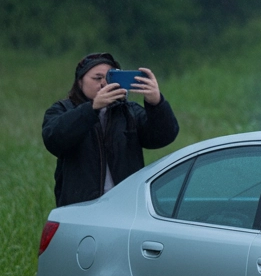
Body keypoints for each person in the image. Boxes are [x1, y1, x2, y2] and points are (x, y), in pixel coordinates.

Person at [42, 53, 180, 207]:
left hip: (124, 204)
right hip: (80, 206)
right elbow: (53, 140)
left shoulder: (129, 112)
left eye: (109, 78)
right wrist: (91, 109)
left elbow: (164, 136)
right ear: (80, 82)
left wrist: (156, 103)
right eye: (97, 78)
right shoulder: (62, 109)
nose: (103, 83)